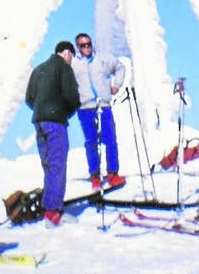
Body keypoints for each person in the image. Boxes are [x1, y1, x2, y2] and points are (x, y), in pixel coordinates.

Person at [25, 41, 81, 227]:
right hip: (56, 123)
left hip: (39, 122)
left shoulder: (38, 69)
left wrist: (43, 110)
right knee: (58, 164)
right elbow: (72, 97)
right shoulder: (63, 68)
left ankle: (48, 205)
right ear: (65, 53)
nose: (71, 59)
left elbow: (29, 98)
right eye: (71, 55)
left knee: (48, 164)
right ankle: (53, 210)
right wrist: (62, 111)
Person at [71, 33, 126, 191]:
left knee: (110, 140)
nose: (87, 47)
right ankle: (95, 175)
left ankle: (113, 173)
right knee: (91, 142)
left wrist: (117, 84)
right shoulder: (73, 64)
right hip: (84, 108)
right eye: (83, 45)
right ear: (78, 47)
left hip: (104, 106)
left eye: (89, 44)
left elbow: (120, 67)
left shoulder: (103, 59)